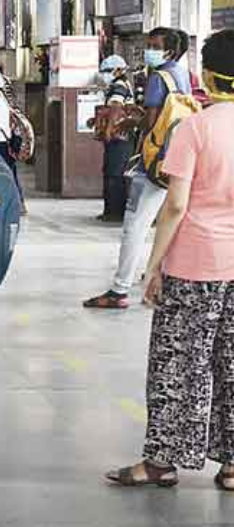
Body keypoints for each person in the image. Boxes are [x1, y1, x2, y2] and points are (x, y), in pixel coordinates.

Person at [105, 29, 234, 490]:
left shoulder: (194, 128)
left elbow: (175, 206)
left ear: (208, 75)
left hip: (195, 267)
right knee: (231, 364)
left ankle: (161, 461)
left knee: (177, 365)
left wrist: (153, 265)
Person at [84, 27, 192, 309]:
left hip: (153, 161)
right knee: (172, 222)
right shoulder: (182, 76)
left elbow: (151, 122)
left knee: (135, 226)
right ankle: (164, 276)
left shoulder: (158, 78)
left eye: (154, 45)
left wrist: (128, 123)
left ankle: (119, 290)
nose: (149, 50)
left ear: (168, 51)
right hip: (177, 157)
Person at [92, 55, 139, 223]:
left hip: (120, 136)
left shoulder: (118, 85)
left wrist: (109, 130)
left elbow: (116, 108)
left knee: (115, 172)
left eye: (107, 71)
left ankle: (114, 212)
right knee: (115, 171)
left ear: (118, 70)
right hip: (123, 135)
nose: (105, 74)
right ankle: (113, 210)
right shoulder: (122, 84)